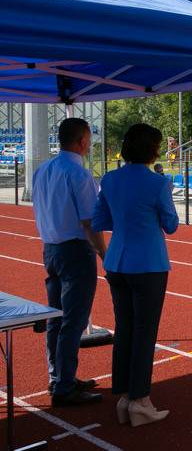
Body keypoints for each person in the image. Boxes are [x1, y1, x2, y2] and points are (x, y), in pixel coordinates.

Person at [92, 123, 178, 427]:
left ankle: (125, 397)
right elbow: (171, 225)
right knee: (144, 333)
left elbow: (100, 219)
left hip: (117, 261)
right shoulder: (157, 183)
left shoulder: (110, 179)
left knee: (124, 330)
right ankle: (140, 400)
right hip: (148, 265)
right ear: (152, 149)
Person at [32, 118, 106, 407]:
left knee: (55, 318)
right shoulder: (79, 174)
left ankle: (58, 376)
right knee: (73, 321)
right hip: (75, 251)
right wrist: (104, 254)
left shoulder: (42, 170)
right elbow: (89, 221)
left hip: (50, 249)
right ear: (83, 141)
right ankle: (64, 385)